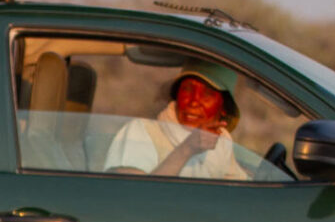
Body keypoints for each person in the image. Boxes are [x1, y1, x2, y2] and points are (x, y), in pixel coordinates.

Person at [104, 59, 249, 180]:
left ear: (223, 108)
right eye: (187, 89)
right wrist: (187, 149)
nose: (193, 101)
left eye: (207, 94)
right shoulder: (141, 131)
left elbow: (240, 191)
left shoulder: (222, 142)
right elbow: (132, 198)